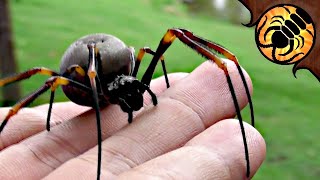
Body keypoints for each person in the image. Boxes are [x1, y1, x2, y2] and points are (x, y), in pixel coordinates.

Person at [0, 61, 265, 179]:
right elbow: (67, 75)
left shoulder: (131, 78)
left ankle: (225, 65)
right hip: (88, 88)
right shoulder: (91, 79)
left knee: (170, 35)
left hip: (103, 81)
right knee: (49, 76)